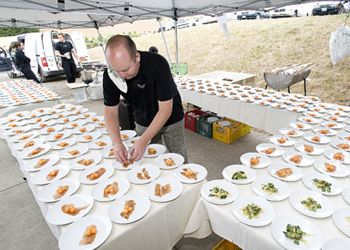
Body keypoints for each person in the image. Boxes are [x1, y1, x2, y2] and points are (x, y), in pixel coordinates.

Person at [103, 35, 187, 163]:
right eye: (117, 71)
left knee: (178, 158)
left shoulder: (158, 64)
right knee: (147, 161)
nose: (122, 75)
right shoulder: (110, 75)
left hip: (171, 120)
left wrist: (143, 140)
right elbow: (110, 111)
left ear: (137, 57)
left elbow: (165, 110)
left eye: (125, 69)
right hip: (143, 120)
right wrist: (116, 143)